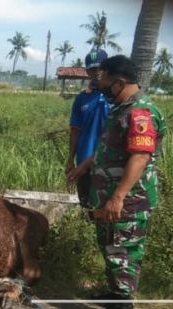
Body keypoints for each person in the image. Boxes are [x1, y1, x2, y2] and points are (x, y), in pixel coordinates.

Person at [71, 55, 166, 309]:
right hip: (108, 195)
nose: (104, 89)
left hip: (128, 200)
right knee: (111, 246)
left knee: (124, 250)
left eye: (108, 84)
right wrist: (84, 167)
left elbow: (139, 157)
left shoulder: (140, 114)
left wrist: (118, 196)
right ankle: (114, 295)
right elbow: (105, 150)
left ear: (120, 82)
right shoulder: (120, 109)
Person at [65, 49, 110, 209]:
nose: (96, 73)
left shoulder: (116, 97)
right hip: (83, 162)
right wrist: (71, 158)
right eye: (92, 69)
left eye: (99, 68)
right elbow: (75, 130)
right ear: (87, 71)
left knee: (106, 208)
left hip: (109, 163)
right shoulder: (81, 98)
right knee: (87, 207)